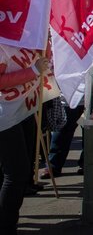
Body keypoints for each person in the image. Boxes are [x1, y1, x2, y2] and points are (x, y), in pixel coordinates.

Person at [1, 48, 50, 234]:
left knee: (20, 170)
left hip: (23, 109)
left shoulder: (27, 35)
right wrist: (33, 71)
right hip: (5, 115)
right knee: (16, 174)